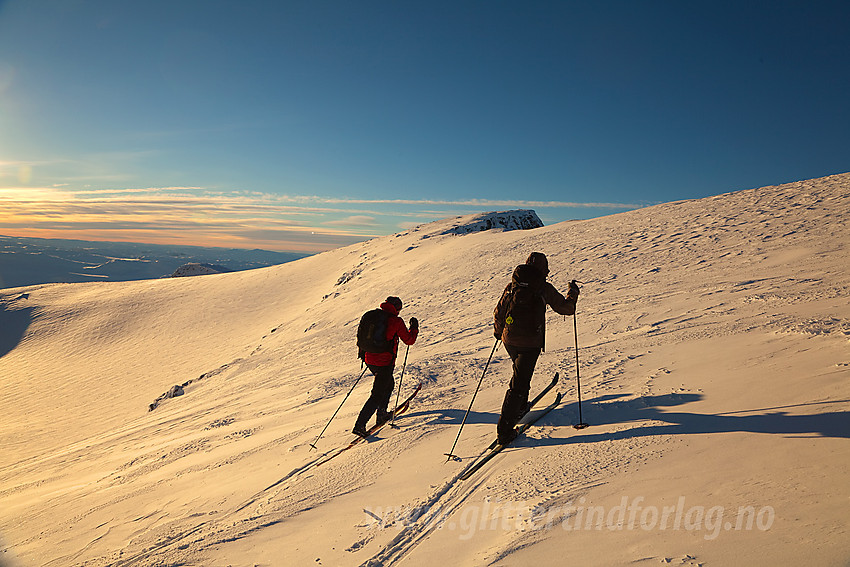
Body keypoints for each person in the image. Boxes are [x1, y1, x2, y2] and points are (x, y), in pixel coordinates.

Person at [493, 252, 579, 444]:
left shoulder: (512, 286)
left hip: (509, 340)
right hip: (530, 343)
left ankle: (521, 407)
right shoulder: (543, 287)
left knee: (521, 375)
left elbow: (499, 311)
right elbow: (566, 308)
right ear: (543, 269)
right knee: (518, 383)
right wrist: (573, 294)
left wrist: (499, 332)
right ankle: (504, 432)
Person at [353, 296, 419, 438]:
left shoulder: (373, 315)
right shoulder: (395, 321)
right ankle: (360, 425)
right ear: (396, 308)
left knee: (388, 384)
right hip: (385, 362)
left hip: (369, 359)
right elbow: (409, 340)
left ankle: (382, 413)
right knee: (377, 394)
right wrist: (414, 328)